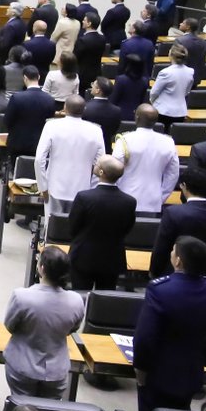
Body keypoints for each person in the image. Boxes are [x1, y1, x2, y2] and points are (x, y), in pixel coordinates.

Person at [133, 236, 206, 411]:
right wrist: (203, 357)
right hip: (191, 372)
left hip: (157, 373)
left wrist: (141, 369)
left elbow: (145, 337)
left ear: (178, 260)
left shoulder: (160, 290)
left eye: (173, 251)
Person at [2, 246, 84, 398]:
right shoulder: (76, 301)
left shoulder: (21, 297)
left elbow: (10, 326)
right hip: (56, 371)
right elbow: (72, 329)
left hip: (22, 366)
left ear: (42, 268)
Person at [68, 156, 136, 291]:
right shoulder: (129, 201)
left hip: (83, 257)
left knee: (80, 296)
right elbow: (127, 227)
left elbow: (73, 226)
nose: (95, 164)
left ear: (101, 172)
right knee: (105, 301)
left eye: (97, 164)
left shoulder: (84, 197)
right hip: (112, 259)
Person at [151, 167, 206, 277]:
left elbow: (161, 248)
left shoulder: (173, 213)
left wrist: (154, 272)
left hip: (174, 275)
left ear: (184, 186)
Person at [36, 95, 104, 215]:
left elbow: (39, 159)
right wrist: (93, 190)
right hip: (82, 189)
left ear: (64, 107)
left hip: (54, 187)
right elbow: (100, 165)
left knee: (52, 228)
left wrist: (43, 187)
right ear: (84, 110)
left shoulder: (52, 126)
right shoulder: (96, 131)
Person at [114, 104, 179, 213]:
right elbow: (173, 174)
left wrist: (116, 194)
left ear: (137, 117)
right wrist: (162, 195)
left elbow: (113, 170)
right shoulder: (168, 142)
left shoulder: (125, 140)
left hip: (124, 196)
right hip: (153, 199)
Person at [4, 66, 55, 161]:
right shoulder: (50, 100)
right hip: (40, 143)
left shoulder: (16, 98)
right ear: (39, 77)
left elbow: (7, 121)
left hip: (17, 142)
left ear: (25, 78)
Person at [150, 44, 195, 126]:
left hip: (163, 110)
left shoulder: (165, 72)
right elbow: (187, 91)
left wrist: (153, 102)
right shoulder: (190, 71)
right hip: (180, 111)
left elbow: (154, 92)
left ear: (171, 55)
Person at [81, 76, 124, 150]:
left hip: (87, 147)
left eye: (93, 85)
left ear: (98, 90)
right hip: (105, 147)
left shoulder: (84, 107)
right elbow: (114, 130)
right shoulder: (117, 110)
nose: (91, 86)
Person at [111, 54, 149, 120]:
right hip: (137, 115)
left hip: (120, 114)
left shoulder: (121, 79)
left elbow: (114, 99)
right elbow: (142, 100)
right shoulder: (145, 81)